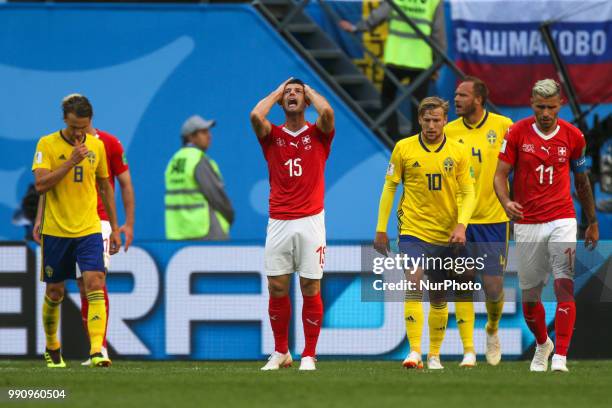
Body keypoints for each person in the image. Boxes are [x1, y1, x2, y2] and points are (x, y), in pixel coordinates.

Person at [494, 79, 599, 372]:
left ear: (560, 105)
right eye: (540, 107)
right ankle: (543, 344)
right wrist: (506, 202)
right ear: (531, 104)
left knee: (564, 284)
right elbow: (500, 175)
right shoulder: (516, 132)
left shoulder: (574, 136)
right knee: (530, 299)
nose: (545, 113)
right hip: (527, 222)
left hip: (562, 219)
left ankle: (561, 357)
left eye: (551, 107)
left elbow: (582, 181)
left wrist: (591, 221)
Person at [33, 93, 135, 366]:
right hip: (57, 230)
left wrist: (115, 227)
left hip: (89, 227)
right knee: (55, 292)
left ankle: (96, 351)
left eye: (84, 127)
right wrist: (70, 162)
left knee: (95, 283)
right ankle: (52, 346)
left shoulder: (98, 146)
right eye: (74, 127)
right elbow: (41, 185)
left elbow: (105, 187)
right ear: (65, 120)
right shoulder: (47, 144)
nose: (79, 133)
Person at [374, 96, 475, 369]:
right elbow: (390, 187)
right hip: (413, 230)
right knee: (415, 279)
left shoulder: (458, 152)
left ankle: (434, 356)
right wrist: (381, 228)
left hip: (447, 233)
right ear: (420, 120)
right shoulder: (403, 149)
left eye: (437, 120)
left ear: (445, 121)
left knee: (440, 294)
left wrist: (462, 224)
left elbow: (468, 192)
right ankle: (414, 352)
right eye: (427, 120)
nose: (431, 126)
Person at [250, 78, 334, 371]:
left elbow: (328, 114)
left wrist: (308, 89)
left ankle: (309, 354)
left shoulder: (319, 134)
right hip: (279, 220)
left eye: (297, 92)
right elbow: (255, 116)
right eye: (288, 93)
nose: (292, 95)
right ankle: (281, 351)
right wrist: (277, 91)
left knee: (310, 286)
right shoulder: (272, 135)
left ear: (307, 100)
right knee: (276, 286)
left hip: (311, 219)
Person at [445, 77, 513, 367]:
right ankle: (468, 350)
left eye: (462, 95)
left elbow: (516, 165)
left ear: (478, 99)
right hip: (461, 220)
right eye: (456, 94)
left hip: (493, 219)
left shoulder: (503, 125)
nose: (456, 99)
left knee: (494, 287)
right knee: (462, 282)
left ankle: (492, 329)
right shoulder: (449, 130)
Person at [339, 0, 446, 139]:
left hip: (397, 58)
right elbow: (439, 34)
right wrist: (437, 62)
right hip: (420, 61)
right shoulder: (434, 1)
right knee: (419, 103)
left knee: (387, 97)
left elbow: (378, 15)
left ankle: (392, 133)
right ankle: (415, 138)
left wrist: (356, 28)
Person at [165, 115, 234, 240]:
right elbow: (217, 196)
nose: (209, 136)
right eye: (203, 132)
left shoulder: (174, 161)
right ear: (190, 137)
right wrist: (230, 215)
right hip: (205, 232)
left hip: (179, 232)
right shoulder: (198, 159)